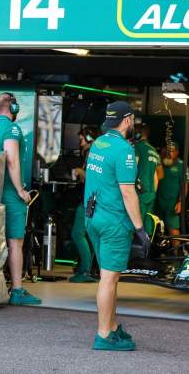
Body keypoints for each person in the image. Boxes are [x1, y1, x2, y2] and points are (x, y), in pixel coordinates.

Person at [84, 100, 150, 351]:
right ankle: (103, 335)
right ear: (127, 120)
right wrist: (140, 229)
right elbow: (128, 192)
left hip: (93, 218)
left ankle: (111, 327)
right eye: (132, 120)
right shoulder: (124, 150)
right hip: (113, 222)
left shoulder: (99, 143)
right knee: (109, 279)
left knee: (109, 277)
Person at [0, 93, 40, 306]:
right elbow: (12, 161)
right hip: (10, 192)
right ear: (13, 109)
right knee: (16, 242)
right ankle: (17, 290)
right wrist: (21, 191)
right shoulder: (12, 129)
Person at [69, 127, 99, 283]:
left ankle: (86, 270)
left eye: (81, 139)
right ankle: (86, 268)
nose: (79, 143)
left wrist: (79, 171)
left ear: (89, 137)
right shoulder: (93, 152)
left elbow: (92, 177)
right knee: (88, 234)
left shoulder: (92, 153)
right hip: (92, 198)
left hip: (90, 199)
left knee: (77, 233)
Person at [134, 123, 163, 236]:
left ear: (138, 134)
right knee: (148, 227)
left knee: (135, 225)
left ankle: (133, 253)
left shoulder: (137, 147)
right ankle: (147, 252)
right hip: (150, 193)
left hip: (139, 193)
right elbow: (156, 176)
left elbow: (132, 168)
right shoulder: (154, 151)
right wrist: (152, 193)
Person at [156, 142, 188, 241]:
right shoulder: (159, 162)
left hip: (172, 204)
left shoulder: (182, 165)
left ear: (177, 152)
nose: (169, 153)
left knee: (173, 229)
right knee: (156, 228)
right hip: (157, 202)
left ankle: (176, 253)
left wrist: (180, 201)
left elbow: (185, 185)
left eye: (172, 151)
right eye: (167, 150)